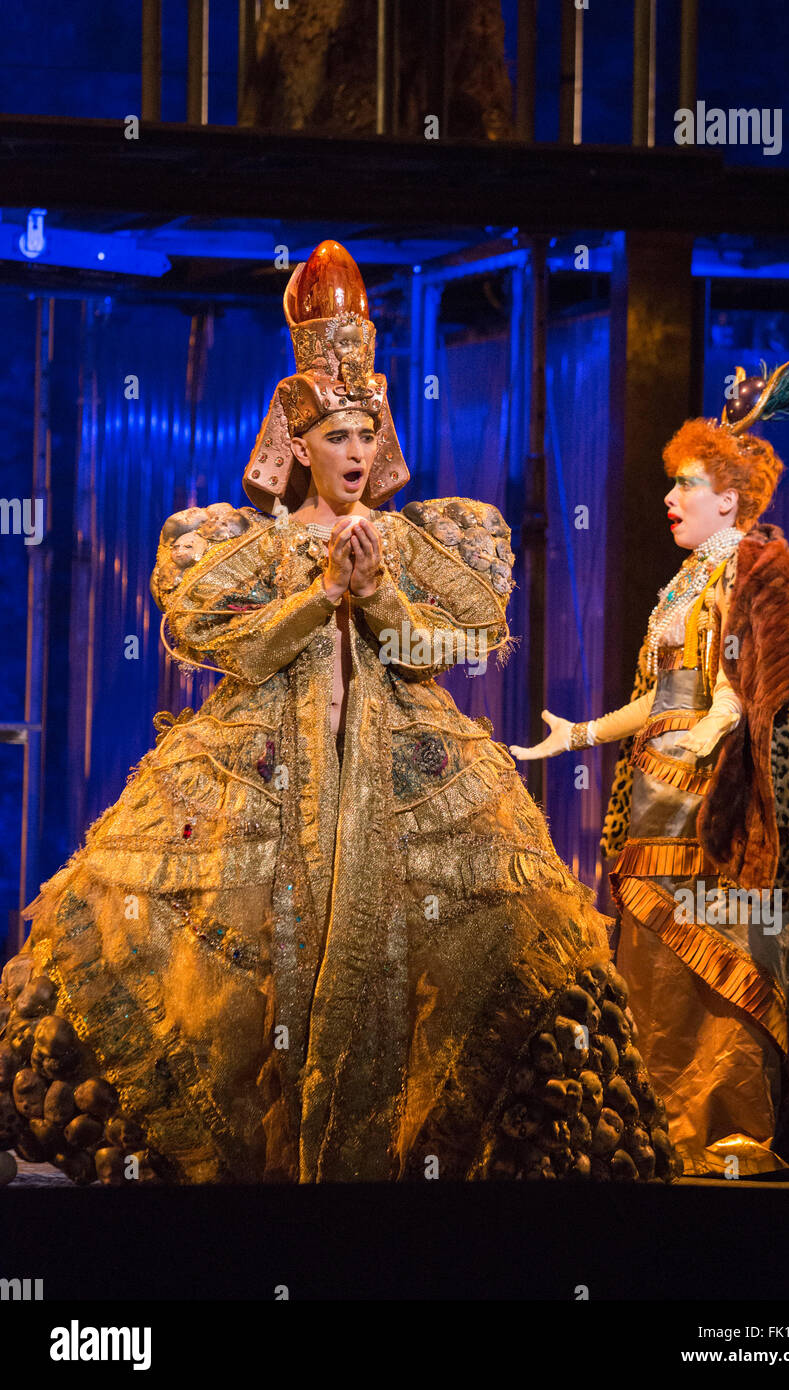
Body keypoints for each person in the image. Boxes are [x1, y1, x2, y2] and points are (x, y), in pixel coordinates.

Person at [1, 241, 677, 1186]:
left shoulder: (420, 537)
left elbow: (463, 644)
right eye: (335, 438)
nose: (354, 454)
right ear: (299, 446)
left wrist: (387, 602)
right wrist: (321, 594)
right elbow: (220, 644)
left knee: (476, 955)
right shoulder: (246, 544)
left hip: (405, 779)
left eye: (366, 434)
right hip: (261, 776)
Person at [512, 360, 789, 1179]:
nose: (669, 499)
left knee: (725, 963)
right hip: (655, 802)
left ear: (731, 500)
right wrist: (580, 735)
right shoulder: (679, 585)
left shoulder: (759, 566)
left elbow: (771, 675)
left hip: (720, 807)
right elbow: (656, 696)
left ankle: (728, 1136)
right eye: (671, 485)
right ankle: (660, 1128)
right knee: (656, 972)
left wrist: (721, 722)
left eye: (686, 485)